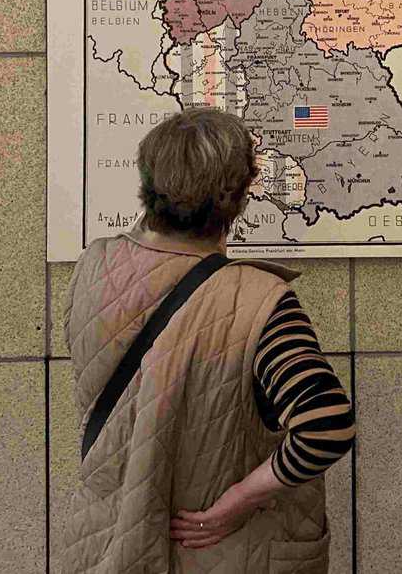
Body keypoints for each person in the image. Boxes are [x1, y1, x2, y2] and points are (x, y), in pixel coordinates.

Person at [62, 107, 354, 574]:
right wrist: (236, 502)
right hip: (224, 553)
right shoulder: (260, 302)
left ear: (148, 184)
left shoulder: (93, 270)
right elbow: (327, 426)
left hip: (110, 544)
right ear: (237, 196)